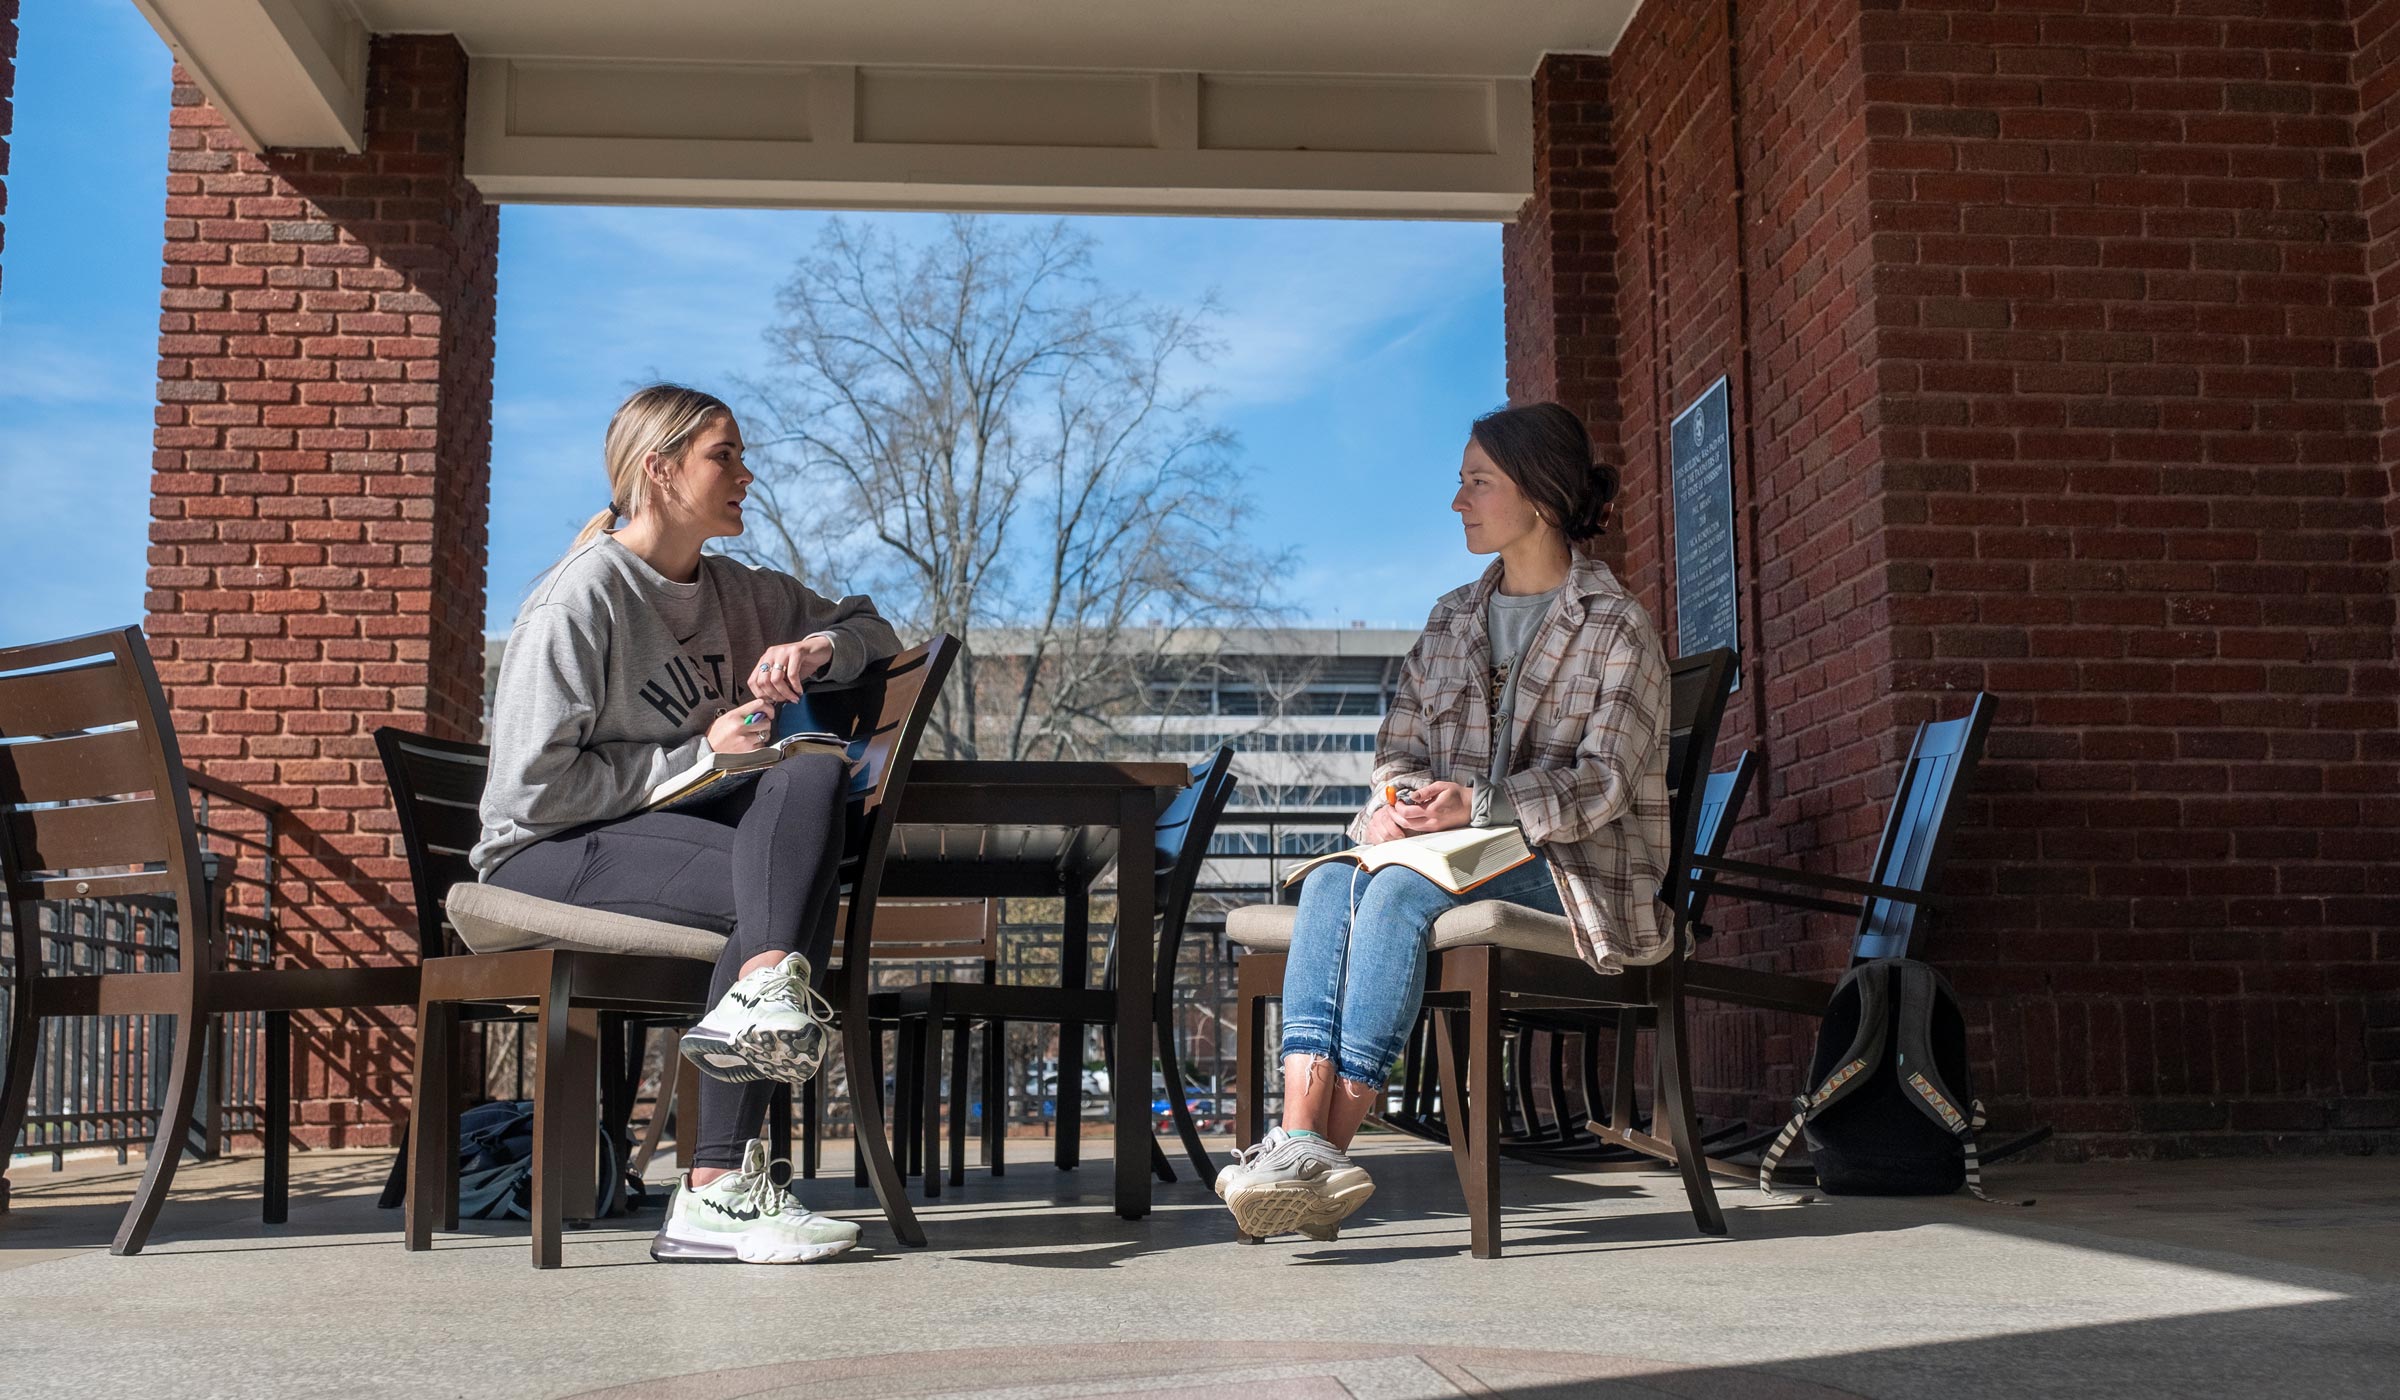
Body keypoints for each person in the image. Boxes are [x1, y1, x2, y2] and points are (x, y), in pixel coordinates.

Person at [1214, 401, 1671, 1243]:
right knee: (1333, 878)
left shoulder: (1616, 627)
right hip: (1444, 852)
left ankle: (1323, 1147)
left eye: (1476, 482)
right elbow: (1399, 750)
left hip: (1573, 864)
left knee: (1391, 894)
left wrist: (1481, 805)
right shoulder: (1452, 618)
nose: (1456, 501)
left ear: (1537, 495)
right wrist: (1392, 808)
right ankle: (1299, 1142)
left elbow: (1603, 783)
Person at [471, 383, 902, 1264]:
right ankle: (713, 1188)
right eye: (726, 456)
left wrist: (818, 648)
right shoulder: (580, 600)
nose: (748, 473)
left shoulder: (744, 594)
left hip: (654, 832)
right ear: (659, 472)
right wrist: (701, 755)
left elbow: (875, 627)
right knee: (774, 899)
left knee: (810, 770)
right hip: (543, 851)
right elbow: (526, 795)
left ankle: (760, 1007)